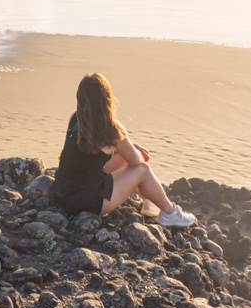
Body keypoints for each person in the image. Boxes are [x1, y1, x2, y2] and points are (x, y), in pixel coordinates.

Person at [52, 72, 196, 227]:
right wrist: (130, 146)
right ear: (107, 100)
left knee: (126, 157)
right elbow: (137, 161)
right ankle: (170, 213)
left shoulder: (76, 119)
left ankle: (150, 204)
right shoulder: (111, 130)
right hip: (88, 202)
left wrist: (128, 147)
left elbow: (95, 151)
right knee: (143, 169)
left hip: (61, 193)